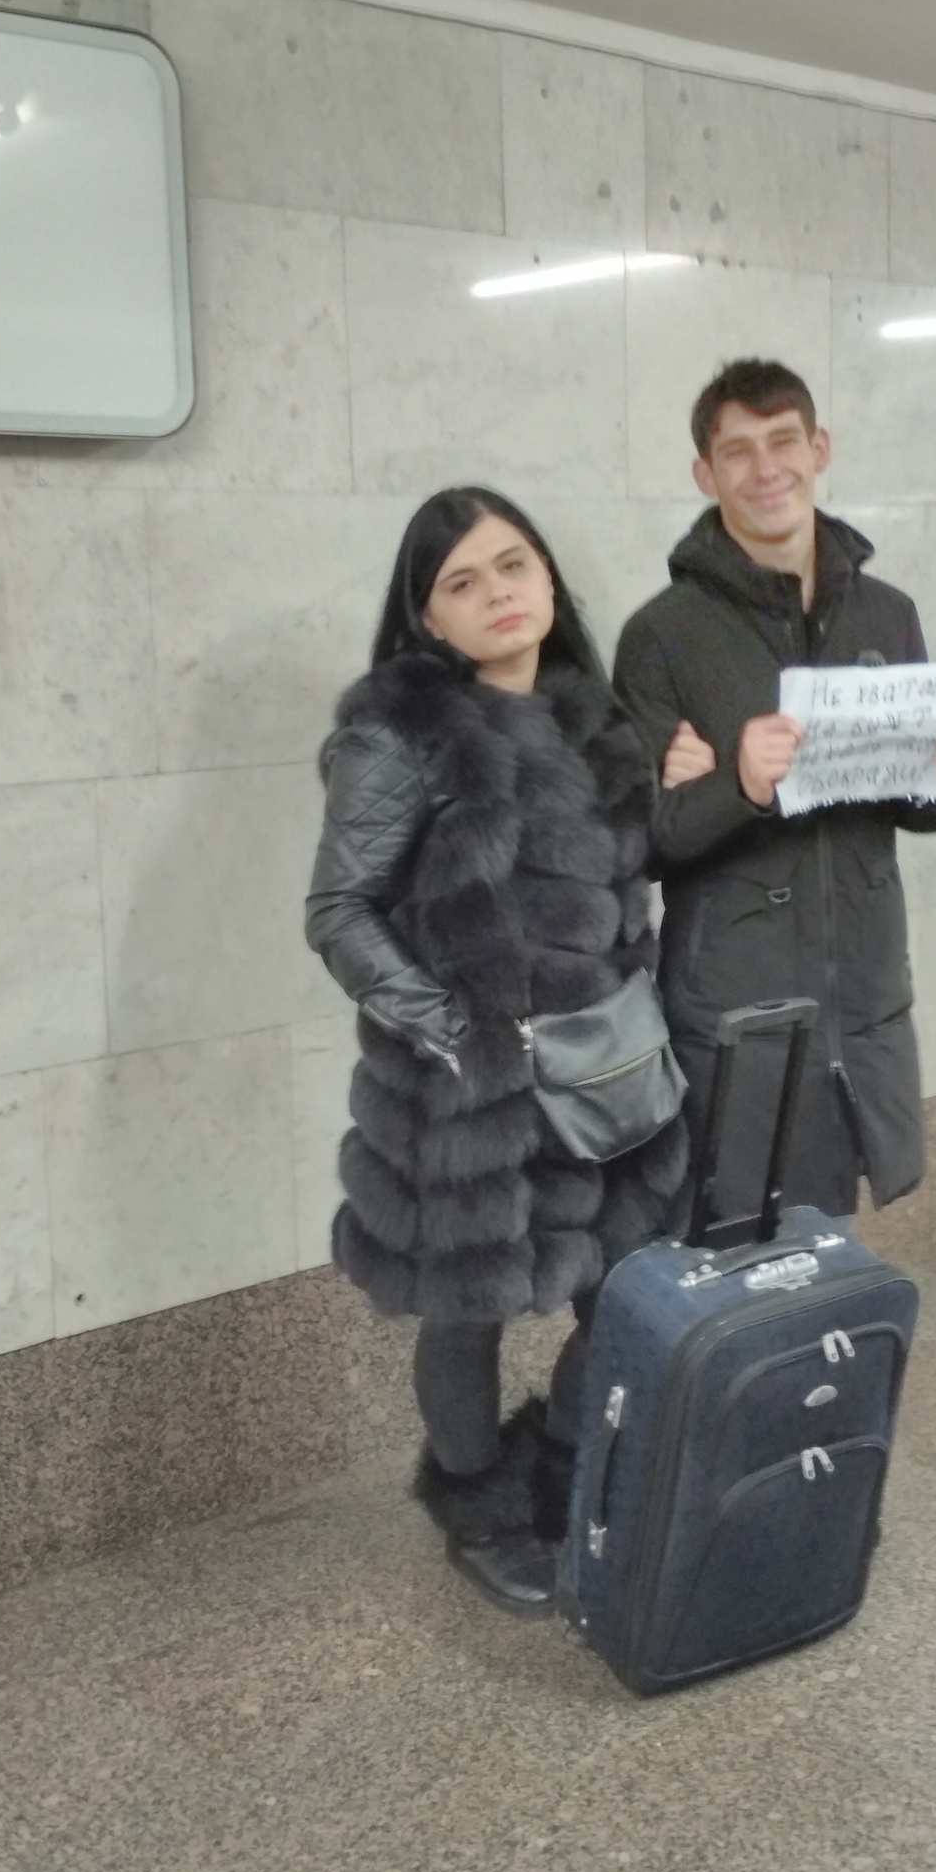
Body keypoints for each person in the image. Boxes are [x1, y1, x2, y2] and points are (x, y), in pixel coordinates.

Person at [305, 488, 687, 1619]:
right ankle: (474, 1503)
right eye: (462, 582)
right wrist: (456, 1035)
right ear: (427, 618)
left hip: (611, 1075)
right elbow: (340, 912)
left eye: (512, 566)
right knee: (466, 1311)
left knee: (627, 1292)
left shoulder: (591, 718)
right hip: (476, 1099)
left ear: (549, 578)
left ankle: (564, 1463)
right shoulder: (399, 739)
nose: (497, 595)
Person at [615, 358, 936, 1227]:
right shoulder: (662, 636)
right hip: (734, 993)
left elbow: (906, 800)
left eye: (784, 440)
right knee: (727, 1245)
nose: (766, 468)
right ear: (704, 475)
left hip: (858, 979)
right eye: (737, 451)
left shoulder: (885, 613)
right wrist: (741, 784)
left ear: (819, 448)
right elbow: (642, 838)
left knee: (826, 1236)